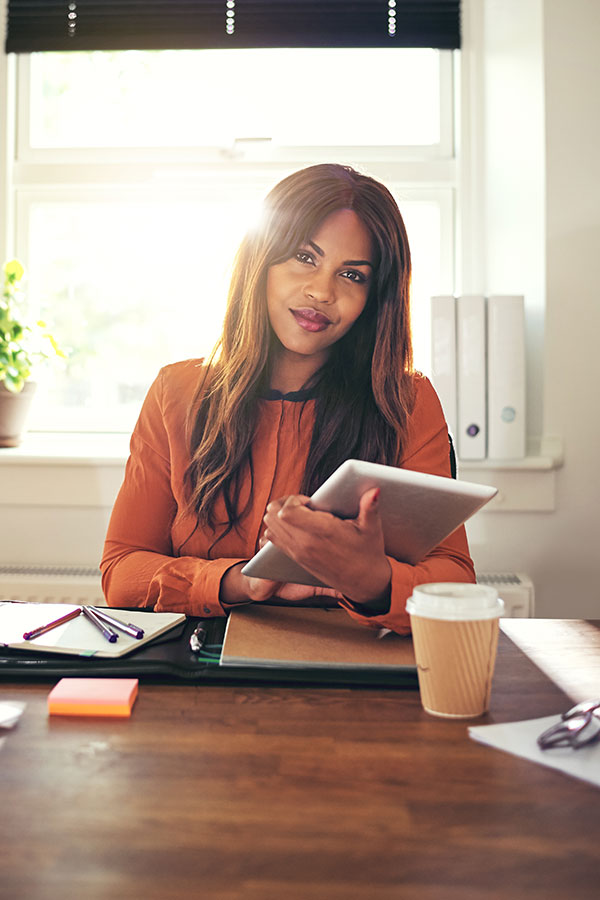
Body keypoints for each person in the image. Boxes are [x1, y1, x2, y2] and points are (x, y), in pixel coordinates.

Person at [101, 164, 475, 634]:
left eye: (353, 275)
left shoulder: (406, 400)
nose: (322, 291)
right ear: (262, 261)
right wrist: (242, 581)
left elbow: (456, 579)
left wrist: (371, 580)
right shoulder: (175, 393)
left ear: (375, 296)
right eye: (304, 256)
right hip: (201, 669)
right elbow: (121, 570)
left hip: (352, 670)